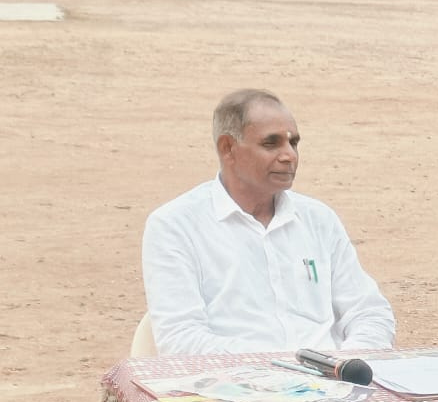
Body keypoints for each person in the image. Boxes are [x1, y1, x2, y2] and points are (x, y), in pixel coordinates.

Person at [142, 89, 396, 355]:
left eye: (293, 143)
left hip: (331, 375)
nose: (289, 156)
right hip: (234, 378)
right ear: (228, 148)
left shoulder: (318, 220)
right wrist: (283, 365)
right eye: (271, 144)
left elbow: (370, 312)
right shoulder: (175, 226)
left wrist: (347, 362)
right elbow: (181, 340)